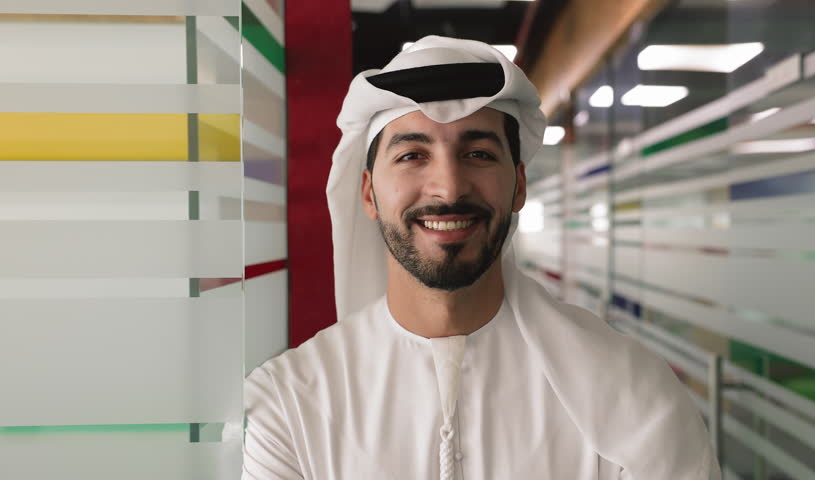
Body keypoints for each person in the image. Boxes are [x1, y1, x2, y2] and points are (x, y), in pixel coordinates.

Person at [241, 36, 721, 480]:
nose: (449, 188)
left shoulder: (634, 396)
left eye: (478, 154)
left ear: (520, 186)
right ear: (367, 193)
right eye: (412, 155)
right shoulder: (288, 403)